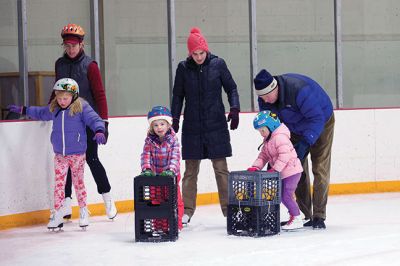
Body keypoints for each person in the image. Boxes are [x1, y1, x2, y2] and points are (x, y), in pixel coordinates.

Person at [8, 78, 106, 230]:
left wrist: (99, 129)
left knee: (78, 183)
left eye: (65, 98)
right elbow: (41, 112)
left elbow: (94, 119)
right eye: (59, 98)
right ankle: (58, 214)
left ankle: (83, 211)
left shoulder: (81, 107)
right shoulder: (54, 108)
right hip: (60, 154)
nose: (61, 101)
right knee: (59, 185)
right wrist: (24, 110)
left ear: (73, 95)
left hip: (77, 154)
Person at [171, 27, 240, 224]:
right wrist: (175, 118)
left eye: (202, 53)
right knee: (190, 171)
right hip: (192, 126)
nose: (199, 57)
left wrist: (234, 108)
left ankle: (229, 210)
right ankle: (187, 211)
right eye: (195, 53)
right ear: (190, 53)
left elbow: (231, 88)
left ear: (206, 50)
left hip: (216, 123)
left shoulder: (218, 64)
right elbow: (178, 96)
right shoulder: (183, 69)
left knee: (221, 168)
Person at [50, 23, 117, 220]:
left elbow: (100, 95)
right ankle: (67, 204)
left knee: (92, 159)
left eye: (74, 45)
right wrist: (48, 111)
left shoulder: (90, 65)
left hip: (88, 121)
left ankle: (108, 199)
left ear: (82, 44)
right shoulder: (60, 64)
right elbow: (56, 92)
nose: (70, 49)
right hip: (67, 123)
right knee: (67, 159)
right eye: (67, 45)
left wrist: (103, 123)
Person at [254, 69, 335, 229]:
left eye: (266, 96)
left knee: (320, 168)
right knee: (294, 170)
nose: (264, 101)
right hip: (294, 128)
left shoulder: (299, 91)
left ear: (274, 88)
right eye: (261, 97)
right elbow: (269, 127)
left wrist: (306, 142)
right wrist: (273, 154)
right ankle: (305, 215)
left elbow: (316, 118)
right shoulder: (265, 99)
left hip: (322, 122)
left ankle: (319, 215)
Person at [247, 110, 303, 230]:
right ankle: (295, 215)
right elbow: (263, 156)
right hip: (283, 172)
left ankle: (297, 218)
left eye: (263, 130)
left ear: (271, 126)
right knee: (283, 196)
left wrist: (275, 169)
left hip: (292, 171)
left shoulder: (280, 138)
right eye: (259, 131)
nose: (261, 133)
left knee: (286, 195)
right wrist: (256, 166)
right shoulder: (268, 140)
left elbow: (285, 155)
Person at [140, 106, 184, 230]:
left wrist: (171, 170)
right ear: (152, 127)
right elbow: (146, 156)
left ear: (168, 125)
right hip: (155, 176)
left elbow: (175, 157)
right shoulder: (149, 141)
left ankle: (176, 225)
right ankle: (159, 226)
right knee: (156, 201)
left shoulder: (173, 140)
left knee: (174, 201)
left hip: (172, 175)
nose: (159, 127)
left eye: (162, 124)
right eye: (156, 125)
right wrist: (147, 169)